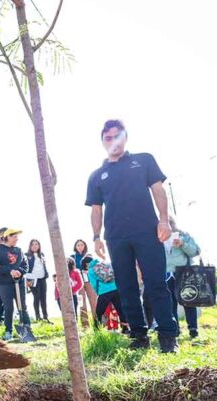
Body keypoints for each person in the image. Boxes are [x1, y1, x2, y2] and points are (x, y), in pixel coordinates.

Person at [85, 119, 179, 353]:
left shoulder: (144, 160)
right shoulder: (97, 175)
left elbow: (158, 190)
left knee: (156, 284)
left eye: (117, 136)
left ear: (125, 137)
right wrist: (96, 237)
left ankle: (168, 336)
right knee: (126, 288)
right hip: (116, 237)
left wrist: (164, 220)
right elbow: (96, 209)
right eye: (108, 138)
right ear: (102, 141)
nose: (113, 141)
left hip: (148, 231)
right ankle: (138, 335)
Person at [164, 217, 201, 338]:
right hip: (165, 273)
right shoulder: (157, 237)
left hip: (183, 272)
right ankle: (175, 329)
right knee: (170, 304)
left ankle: (193, 328)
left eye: (170, 223)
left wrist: (183, 244)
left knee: (189, 301)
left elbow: (195, 251)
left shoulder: (184, 235)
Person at [0, 228, 29, 340]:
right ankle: (8, 331)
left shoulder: (19, 250)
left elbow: (25, 264)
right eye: (15, 236)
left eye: (17, 236)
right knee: (8, 307)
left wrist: (20, 272)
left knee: (22, 306)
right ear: (8, 237)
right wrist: (9, 271)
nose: (17, 239)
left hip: (19, 282)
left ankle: (27, 330)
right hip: (4, 283)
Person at [83, 254, 126, 331]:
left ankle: (97, 329)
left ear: (87, 264)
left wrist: (98, 292)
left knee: (99, 312)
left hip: (104, 292)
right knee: (120, 309)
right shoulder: (106, 264)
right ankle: (125, 328)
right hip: (116, 289)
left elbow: (94, 284)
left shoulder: (91, 271)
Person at [24, 239, 50, 322]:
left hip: (42, 278)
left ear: (39, 246)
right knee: (36, 297)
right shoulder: (26, 255)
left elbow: (43, 266)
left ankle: (45, 317)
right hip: (32, 279)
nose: (34, 246)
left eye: (36, 244)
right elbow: (25, 268)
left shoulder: (41, 254)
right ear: (30, 246)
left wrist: (46, 274)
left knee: (43, 298)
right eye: (32, 244)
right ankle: (38, 317)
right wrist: (26, 280)